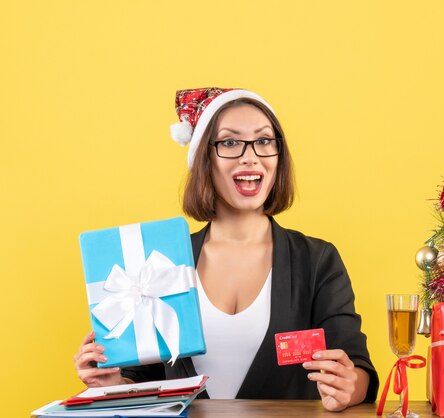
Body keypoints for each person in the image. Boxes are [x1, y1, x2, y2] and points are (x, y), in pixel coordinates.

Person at [74, 87, 379, 411]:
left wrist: (350, 386)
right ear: (204, 158)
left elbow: (356, 365)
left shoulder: (317, 261)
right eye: (230, 142)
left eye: (264, 141)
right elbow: (142, 377)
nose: (251, 155)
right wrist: (112, 384)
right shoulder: (159, 264)